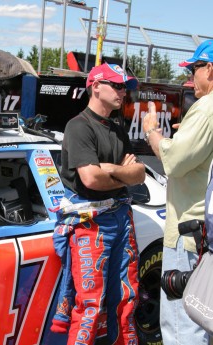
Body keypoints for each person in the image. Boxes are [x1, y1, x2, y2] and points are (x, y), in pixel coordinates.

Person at [51, 62, 145, 345]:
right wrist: (122, 174)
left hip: (119, 217)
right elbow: (91, 179)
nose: (122, 93)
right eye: (116, 86)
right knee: (90, 304)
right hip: (89, 223)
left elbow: (139, 174)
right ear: (95, 87)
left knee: (127, 296)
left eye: (124, 88)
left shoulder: (117, 128)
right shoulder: (78, 126)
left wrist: (112, 170)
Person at [143, 39, 213, 345]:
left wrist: (151, 132)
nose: (190, 76)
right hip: (202, 236)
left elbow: (174, 161)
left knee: (182, 327)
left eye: (194, 68)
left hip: (189, 236)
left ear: (209, 69)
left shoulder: (208, 107)